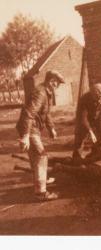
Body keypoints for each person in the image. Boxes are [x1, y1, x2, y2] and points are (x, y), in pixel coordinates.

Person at [16, 70, 65, 201]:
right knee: (41, 156)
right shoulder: (40, 93)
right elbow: (28, 113)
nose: (57, 85)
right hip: (30, 128)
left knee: (35, 157)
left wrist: (51, 128)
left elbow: (46, 113)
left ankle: (41, 180)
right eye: (56, 82)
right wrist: (25, 136)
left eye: (58, 83)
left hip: (33, 128)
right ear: (50, 80)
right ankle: (41, 193)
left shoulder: (47, 92)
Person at [72, 83, 101, 165]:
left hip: (98, 118)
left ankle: (96, 155)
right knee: (80, 138)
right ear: (93, 95)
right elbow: (83, 119)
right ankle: (76, 160)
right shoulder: (84, 99)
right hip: (84, 120)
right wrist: (90, 132)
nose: (99, 99)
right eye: (97, 97)